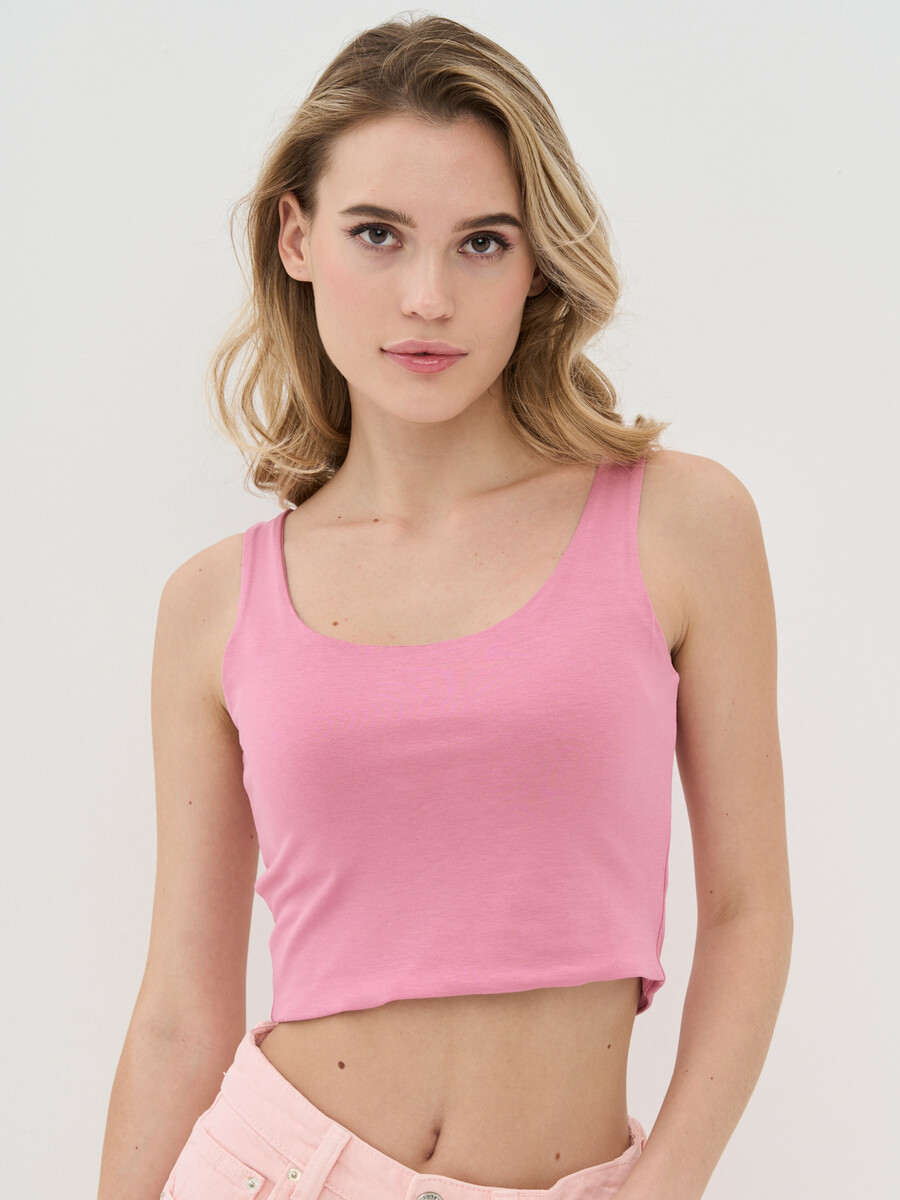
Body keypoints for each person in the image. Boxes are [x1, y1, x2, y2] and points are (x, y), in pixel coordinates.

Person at [97, 14, 793, 1200]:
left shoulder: (681, 525)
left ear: (537, 263)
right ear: (298, 237)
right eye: (378, 234)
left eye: (482, 242)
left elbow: (747, 910)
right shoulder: (213, 605)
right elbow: (178, 1013)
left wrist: (668, 1181)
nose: (427, 297)